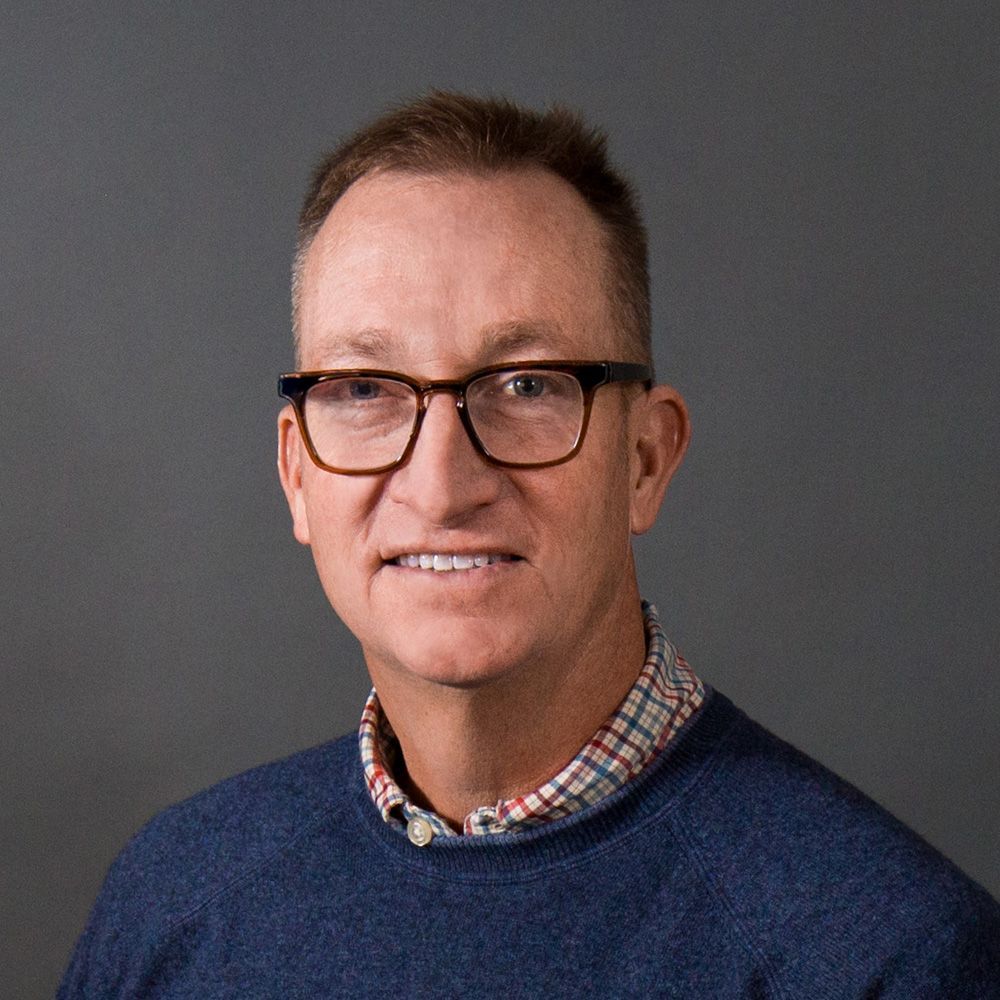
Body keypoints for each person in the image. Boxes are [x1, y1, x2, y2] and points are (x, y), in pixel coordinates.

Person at [60, 92, 999, 998]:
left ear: (645, 459)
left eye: (526, 386)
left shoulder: (890, 957)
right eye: (364, 389)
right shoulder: (173, 901)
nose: (441, 485)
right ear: (297, 472)